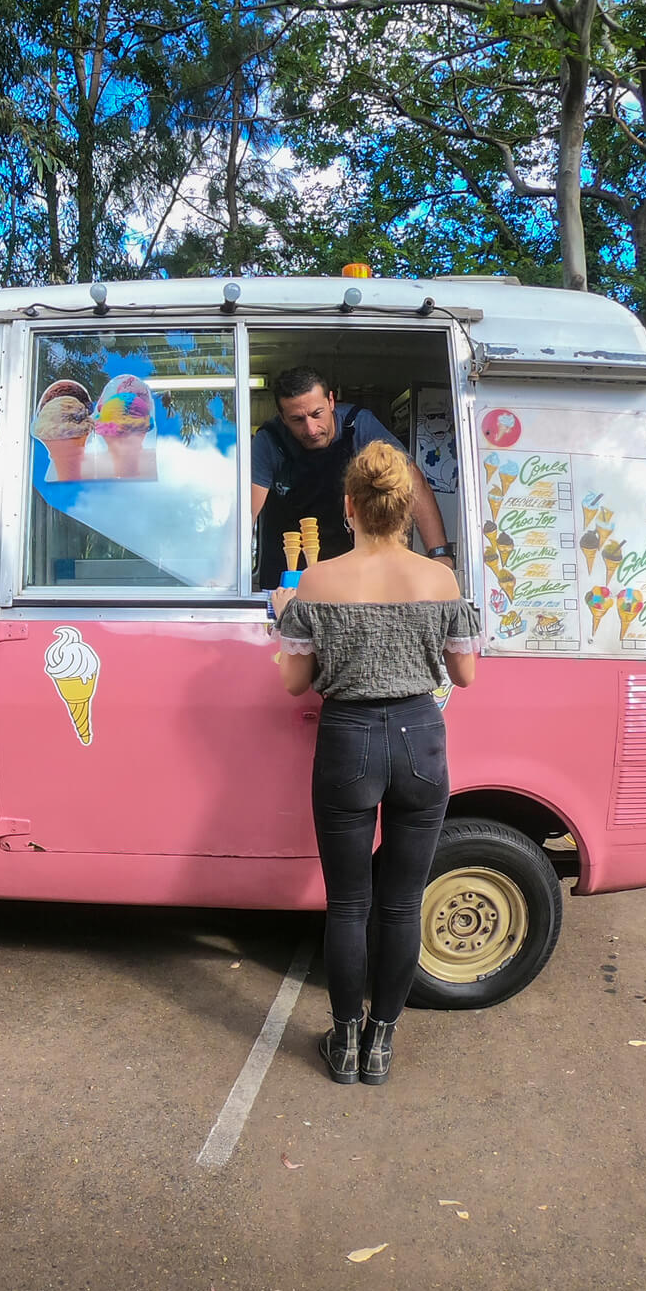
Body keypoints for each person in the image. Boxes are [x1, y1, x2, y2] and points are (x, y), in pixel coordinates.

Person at [271, 441, 480, 1085]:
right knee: (401, 903)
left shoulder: (317, 582)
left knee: (348, 905)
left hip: (348, 739)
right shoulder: (440, 580)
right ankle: (382, 1043)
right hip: (421, 740)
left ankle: (343, 1038)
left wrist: (285, 622)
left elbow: (294, 684)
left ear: (349, 507)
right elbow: (464, 673)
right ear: (405, 509)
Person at [251, 367, 454, 589]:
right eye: (297, 419)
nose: (310, 429)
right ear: (282, 418)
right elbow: (247, 512)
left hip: (351, 571)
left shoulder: (359, 426)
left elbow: (413, 483)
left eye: (316, 414)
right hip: (287, 576)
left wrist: (439, 556)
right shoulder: (269, 441)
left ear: (331, 401)